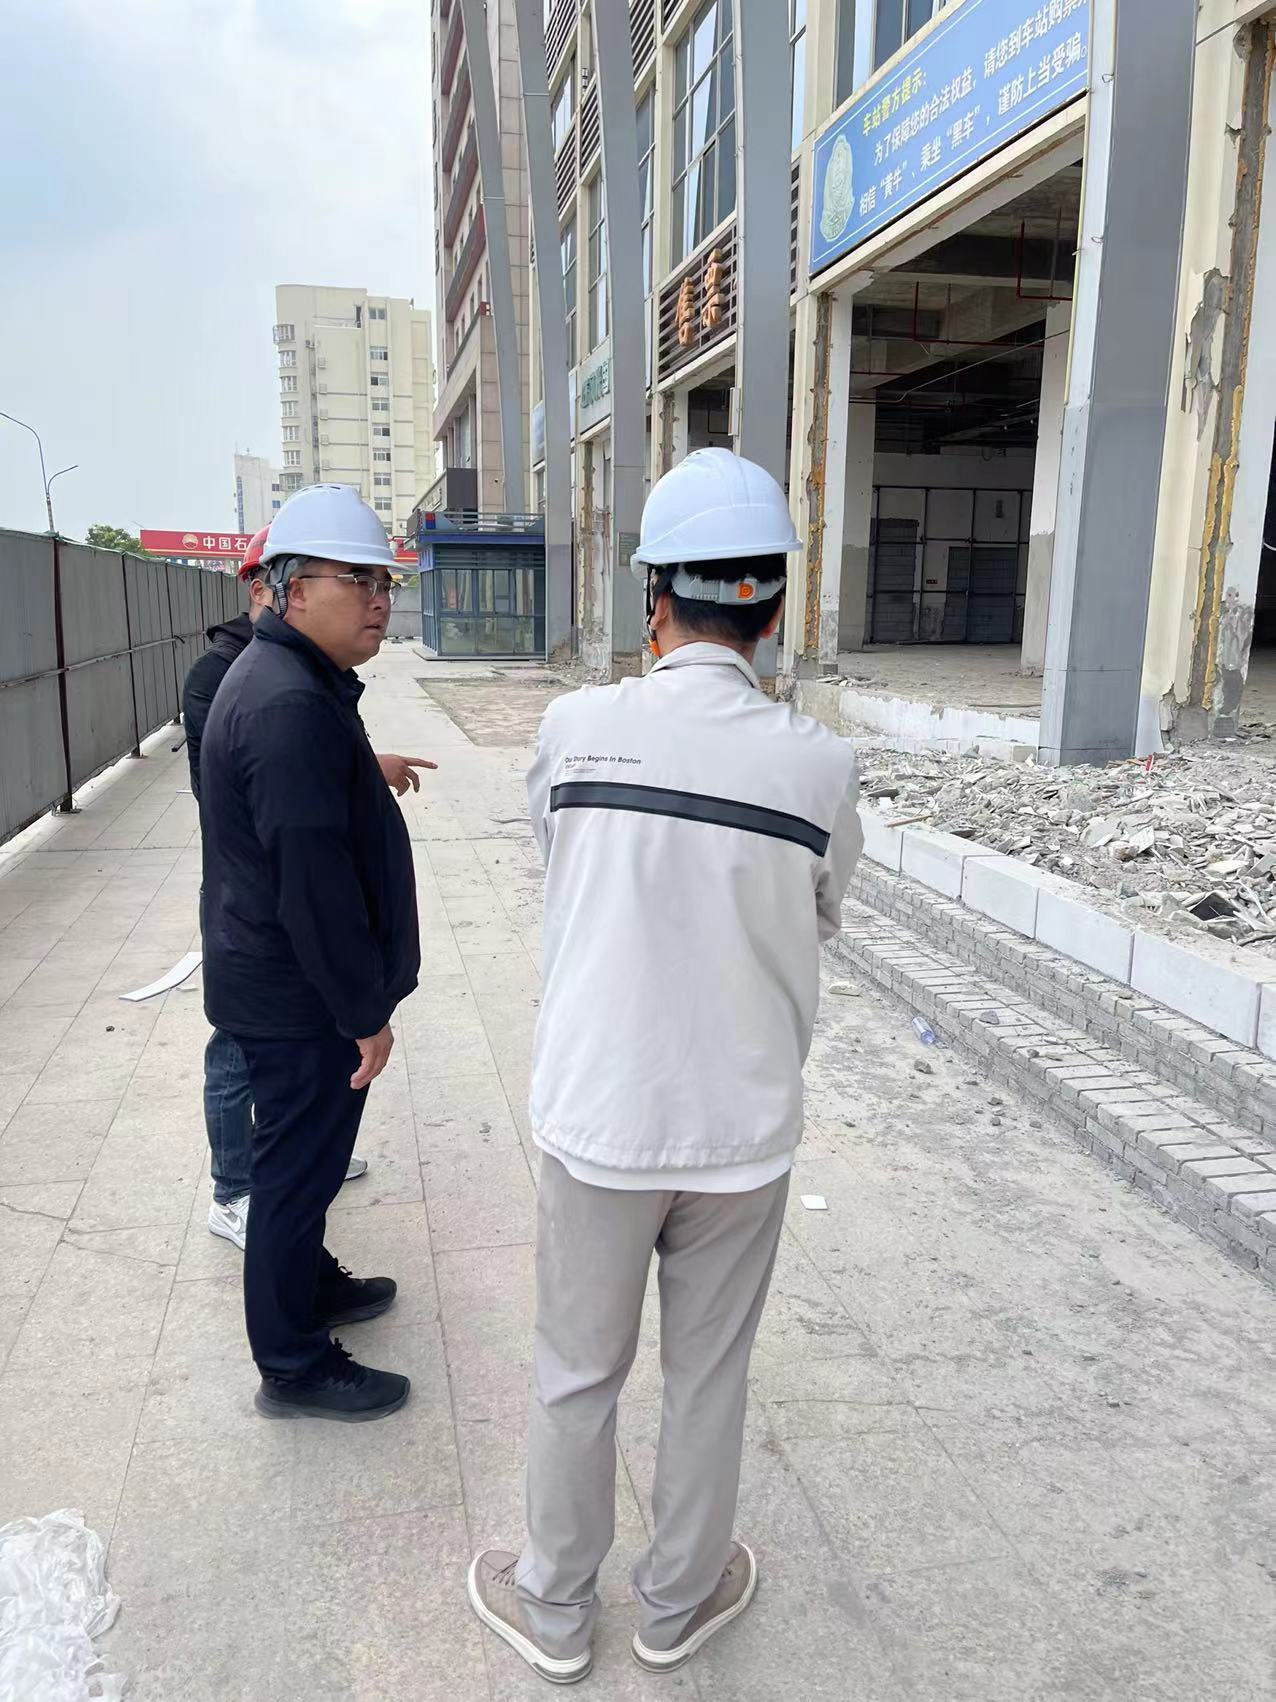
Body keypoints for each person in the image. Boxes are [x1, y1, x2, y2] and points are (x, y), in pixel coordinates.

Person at [467, 449, 863, 1683]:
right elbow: (823, 908)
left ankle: (553, 1607)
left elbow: (558, 859)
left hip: (599, 1122)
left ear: (654, 597)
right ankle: (676, 1603)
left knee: (575, 1373)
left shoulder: (576, 731)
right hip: (741, 1133)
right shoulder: (820, 765)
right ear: (773, 607)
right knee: (707, 1378)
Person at [199, 484, 422, 1421]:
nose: (379, 600)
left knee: (312, 1166)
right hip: (298, 998)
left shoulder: (300, 679)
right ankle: (292, 1364)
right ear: (291, 590)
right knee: (293, 1175)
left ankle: (312, 1286)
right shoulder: (287, 701)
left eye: (384, 583)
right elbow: (312, 887)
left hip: (291, 986)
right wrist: (362, 1013)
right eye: (357, 581)